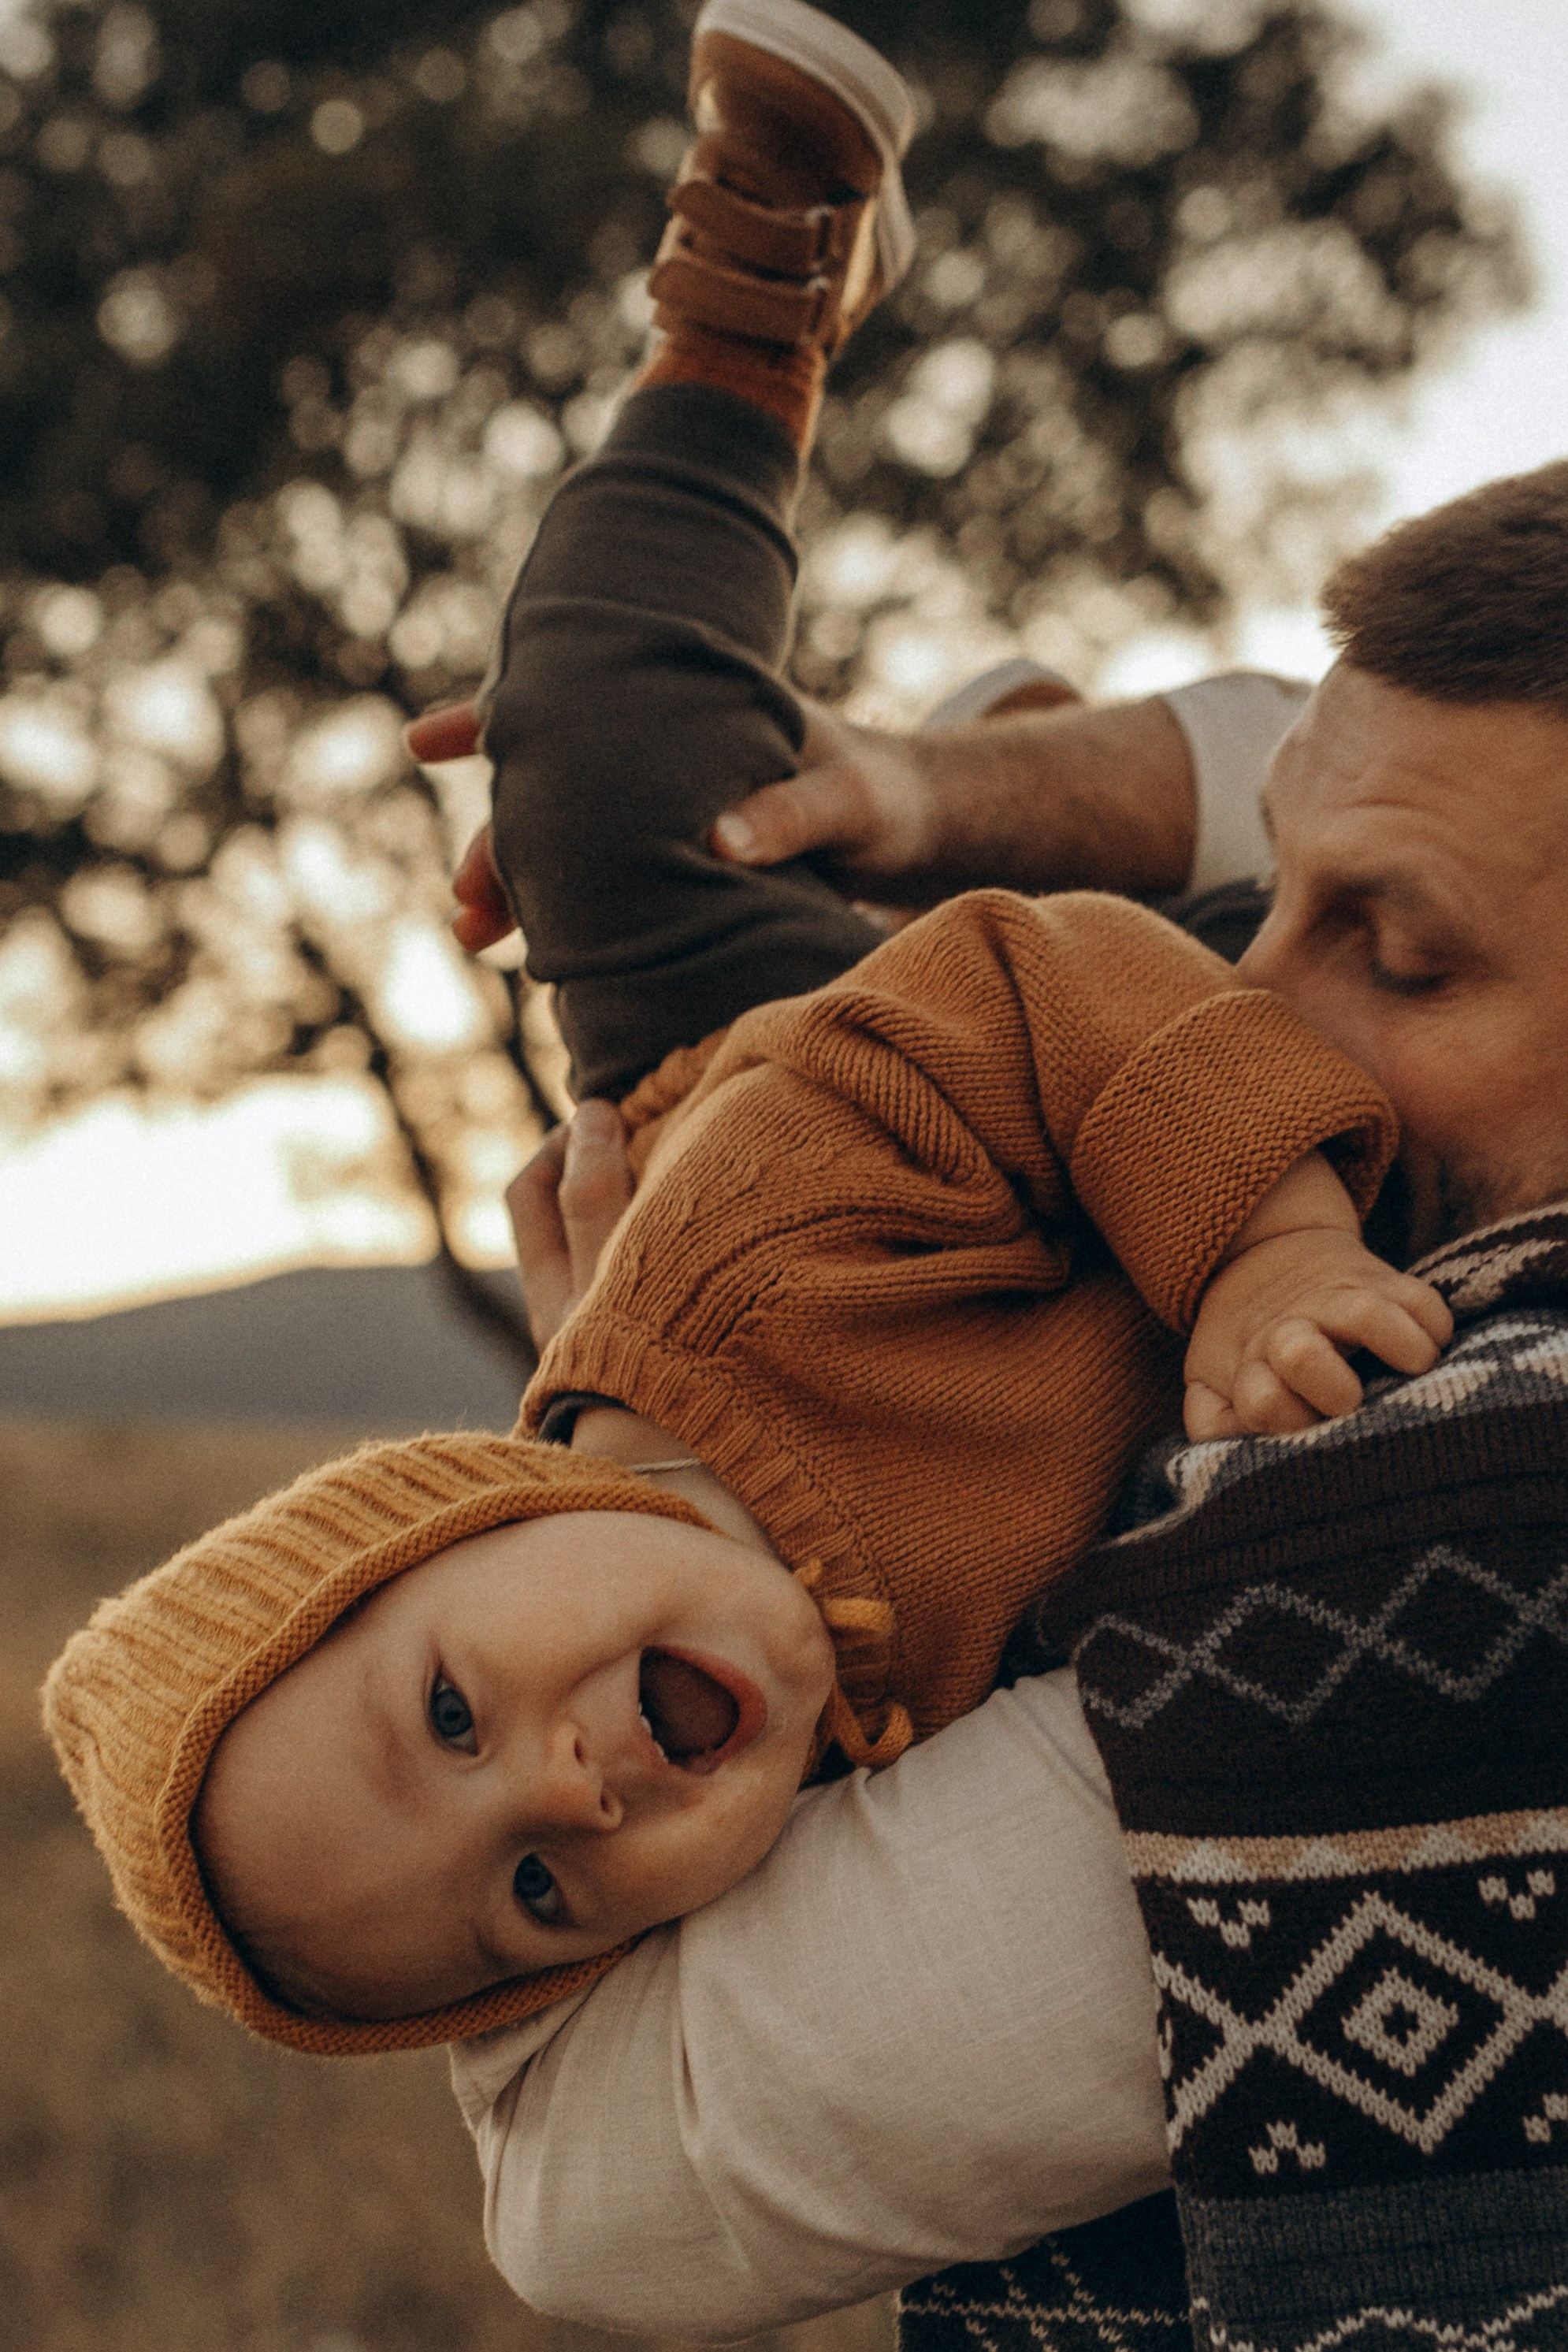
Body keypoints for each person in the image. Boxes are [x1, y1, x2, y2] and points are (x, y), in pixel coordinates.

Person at [40, 2, 1444, 2063]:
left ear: (465, 1508)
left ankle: (754, 287)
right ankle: (1000, 760)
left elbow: (1039, 985)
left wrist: (1269, 1247)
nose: (565, 1792)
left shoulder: (747, 1269)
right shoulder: (821, 1807)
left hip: (837, 1059)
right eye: (531, 1896)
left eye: (451, 1710)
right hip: (949, 1145)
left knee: (600, 762)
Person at [434, 465, 1568, 2352]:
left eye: (1398, 951)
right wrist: (923, 790)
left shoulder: (1441, 1539)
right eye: (1271, 882)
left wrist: (618, 1479)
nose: (1241, 996)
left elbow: (593, 2182)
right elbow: (1288, 751)